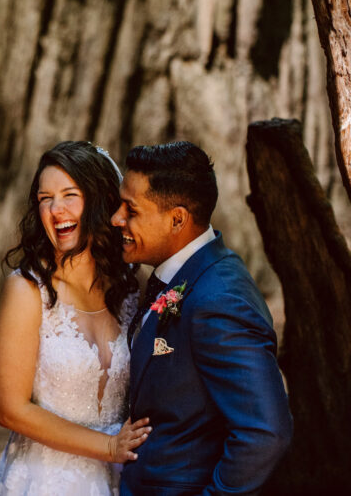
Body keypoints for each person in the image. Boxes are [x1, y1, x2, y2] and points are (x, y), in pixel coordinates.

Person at [110, 142, 292, 496]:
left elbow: (266, 433)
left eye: (130, 209)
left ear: (177, 218)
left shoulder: (219, 298)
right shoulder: (184, 276)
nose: (116, 218)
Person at [0, 141, 152, 496]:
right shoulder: (26, 290)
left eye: (69, 194)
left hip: (121, 478)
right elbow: (10, 409)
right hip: (46, 479)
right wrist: (107, 447)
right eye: (44, 198)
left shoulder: (130, 287)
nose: (55, 209)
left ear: (100, 201)